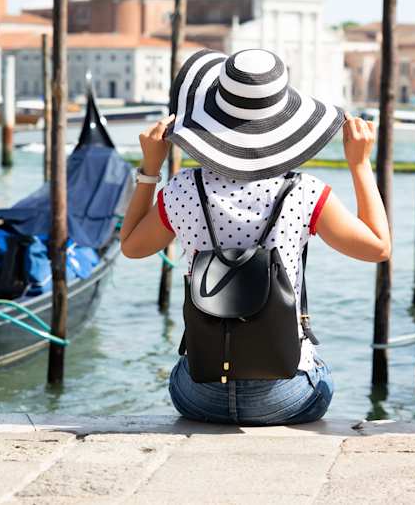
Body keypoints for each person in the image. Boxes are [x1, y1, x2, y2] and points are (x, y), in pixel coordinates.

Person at [118, 48, 390, 426]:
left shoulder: (182, 190)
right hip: (287, 396)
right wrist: (360, 165)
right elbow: (378, 247)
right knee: (320, 370)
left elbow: (130, 246)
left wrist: (150, 169)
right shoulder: (306, 192)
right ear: (284, 122)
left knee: (184, 371)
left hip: (199, 395)